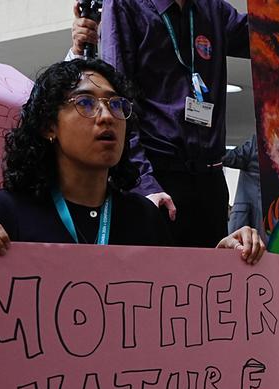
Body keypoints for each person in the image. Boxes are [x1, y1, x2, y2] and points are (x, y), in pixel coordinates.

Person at [0, 58, 264, 259]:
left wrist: (222, 264)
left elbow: (173, 306)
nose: (106, 117)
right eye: (85, 103)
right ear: (48, 126)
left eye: (116, 105)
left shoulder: (145, 218)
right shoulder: (8, 211)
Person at [69, 0, 251, 249]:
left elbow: (265, 36)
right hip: (156, 178)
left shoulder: (211, 8)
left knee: (209, 282)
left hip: (209, 180)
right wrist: (144, 184)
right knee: (157, 282)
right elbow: (119, 103)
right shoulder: (125, 6)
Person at [222, 134, 264, 238]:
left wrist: (208, 150)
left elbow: (234, 157)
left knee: (235, 251)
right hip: (271, 217)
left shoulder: (259, 141)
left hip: (244, 218)